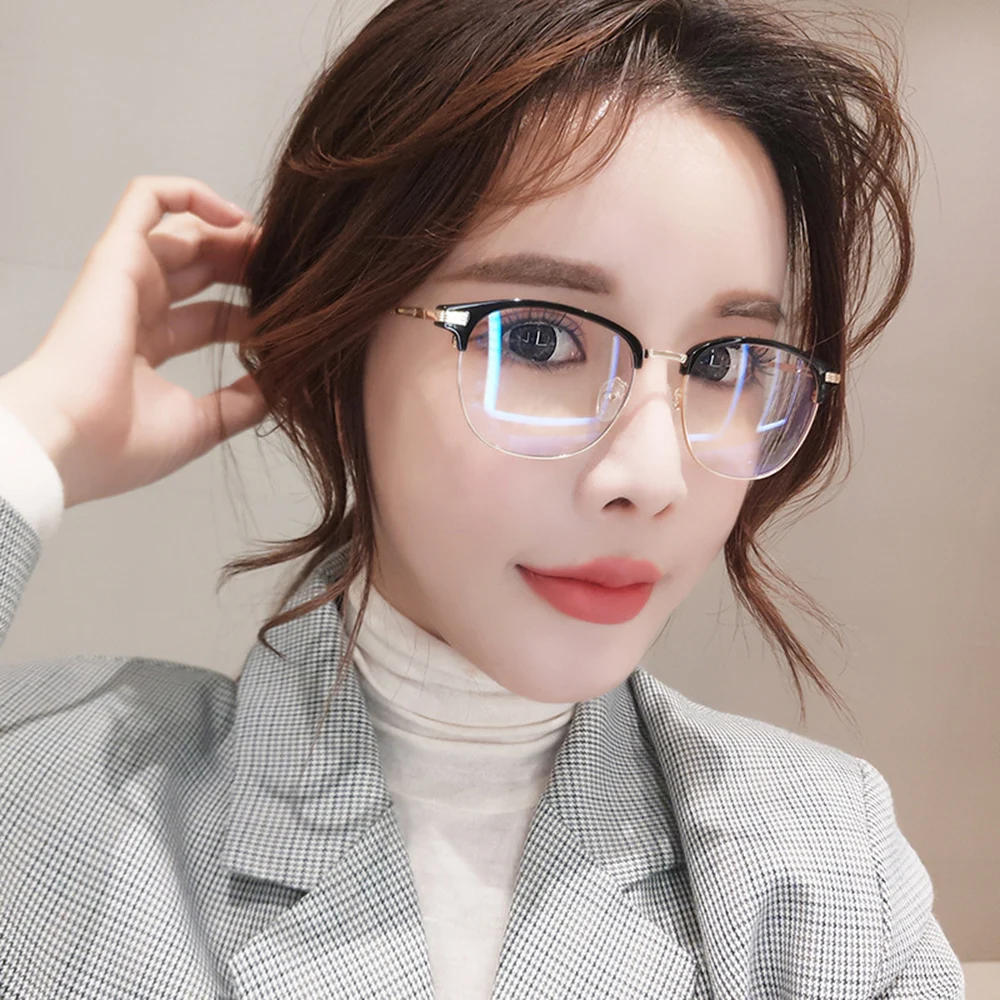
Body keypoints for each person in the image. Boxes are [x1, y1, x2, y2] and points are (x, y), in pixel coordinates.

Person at [0, 0, 965, 996]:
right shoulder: (51, 795)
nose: (652, 478)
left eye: (723, 361)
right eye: (539, 338)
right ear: (345, 341)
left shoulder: (826, 874)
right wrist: (32, 438)